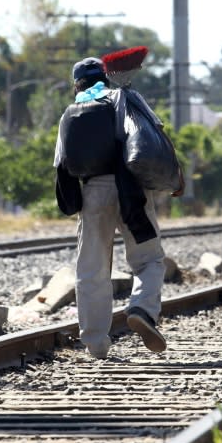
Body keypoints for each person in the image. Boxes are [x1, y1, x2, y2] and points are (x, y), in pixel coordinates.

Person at [54, 56, 184, 359]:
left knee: (91, 269)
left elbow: (61, 164)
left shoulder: (70, 113)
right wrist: (174, 176)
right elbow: (154, 134)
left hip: (93, 194)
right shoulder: (123, 97)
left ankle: (96, 343)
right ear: (106, 77)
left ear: (76, 84)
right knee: (149, 259)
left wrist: (75, 203)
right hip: (131, 190)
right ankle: (141, 308)